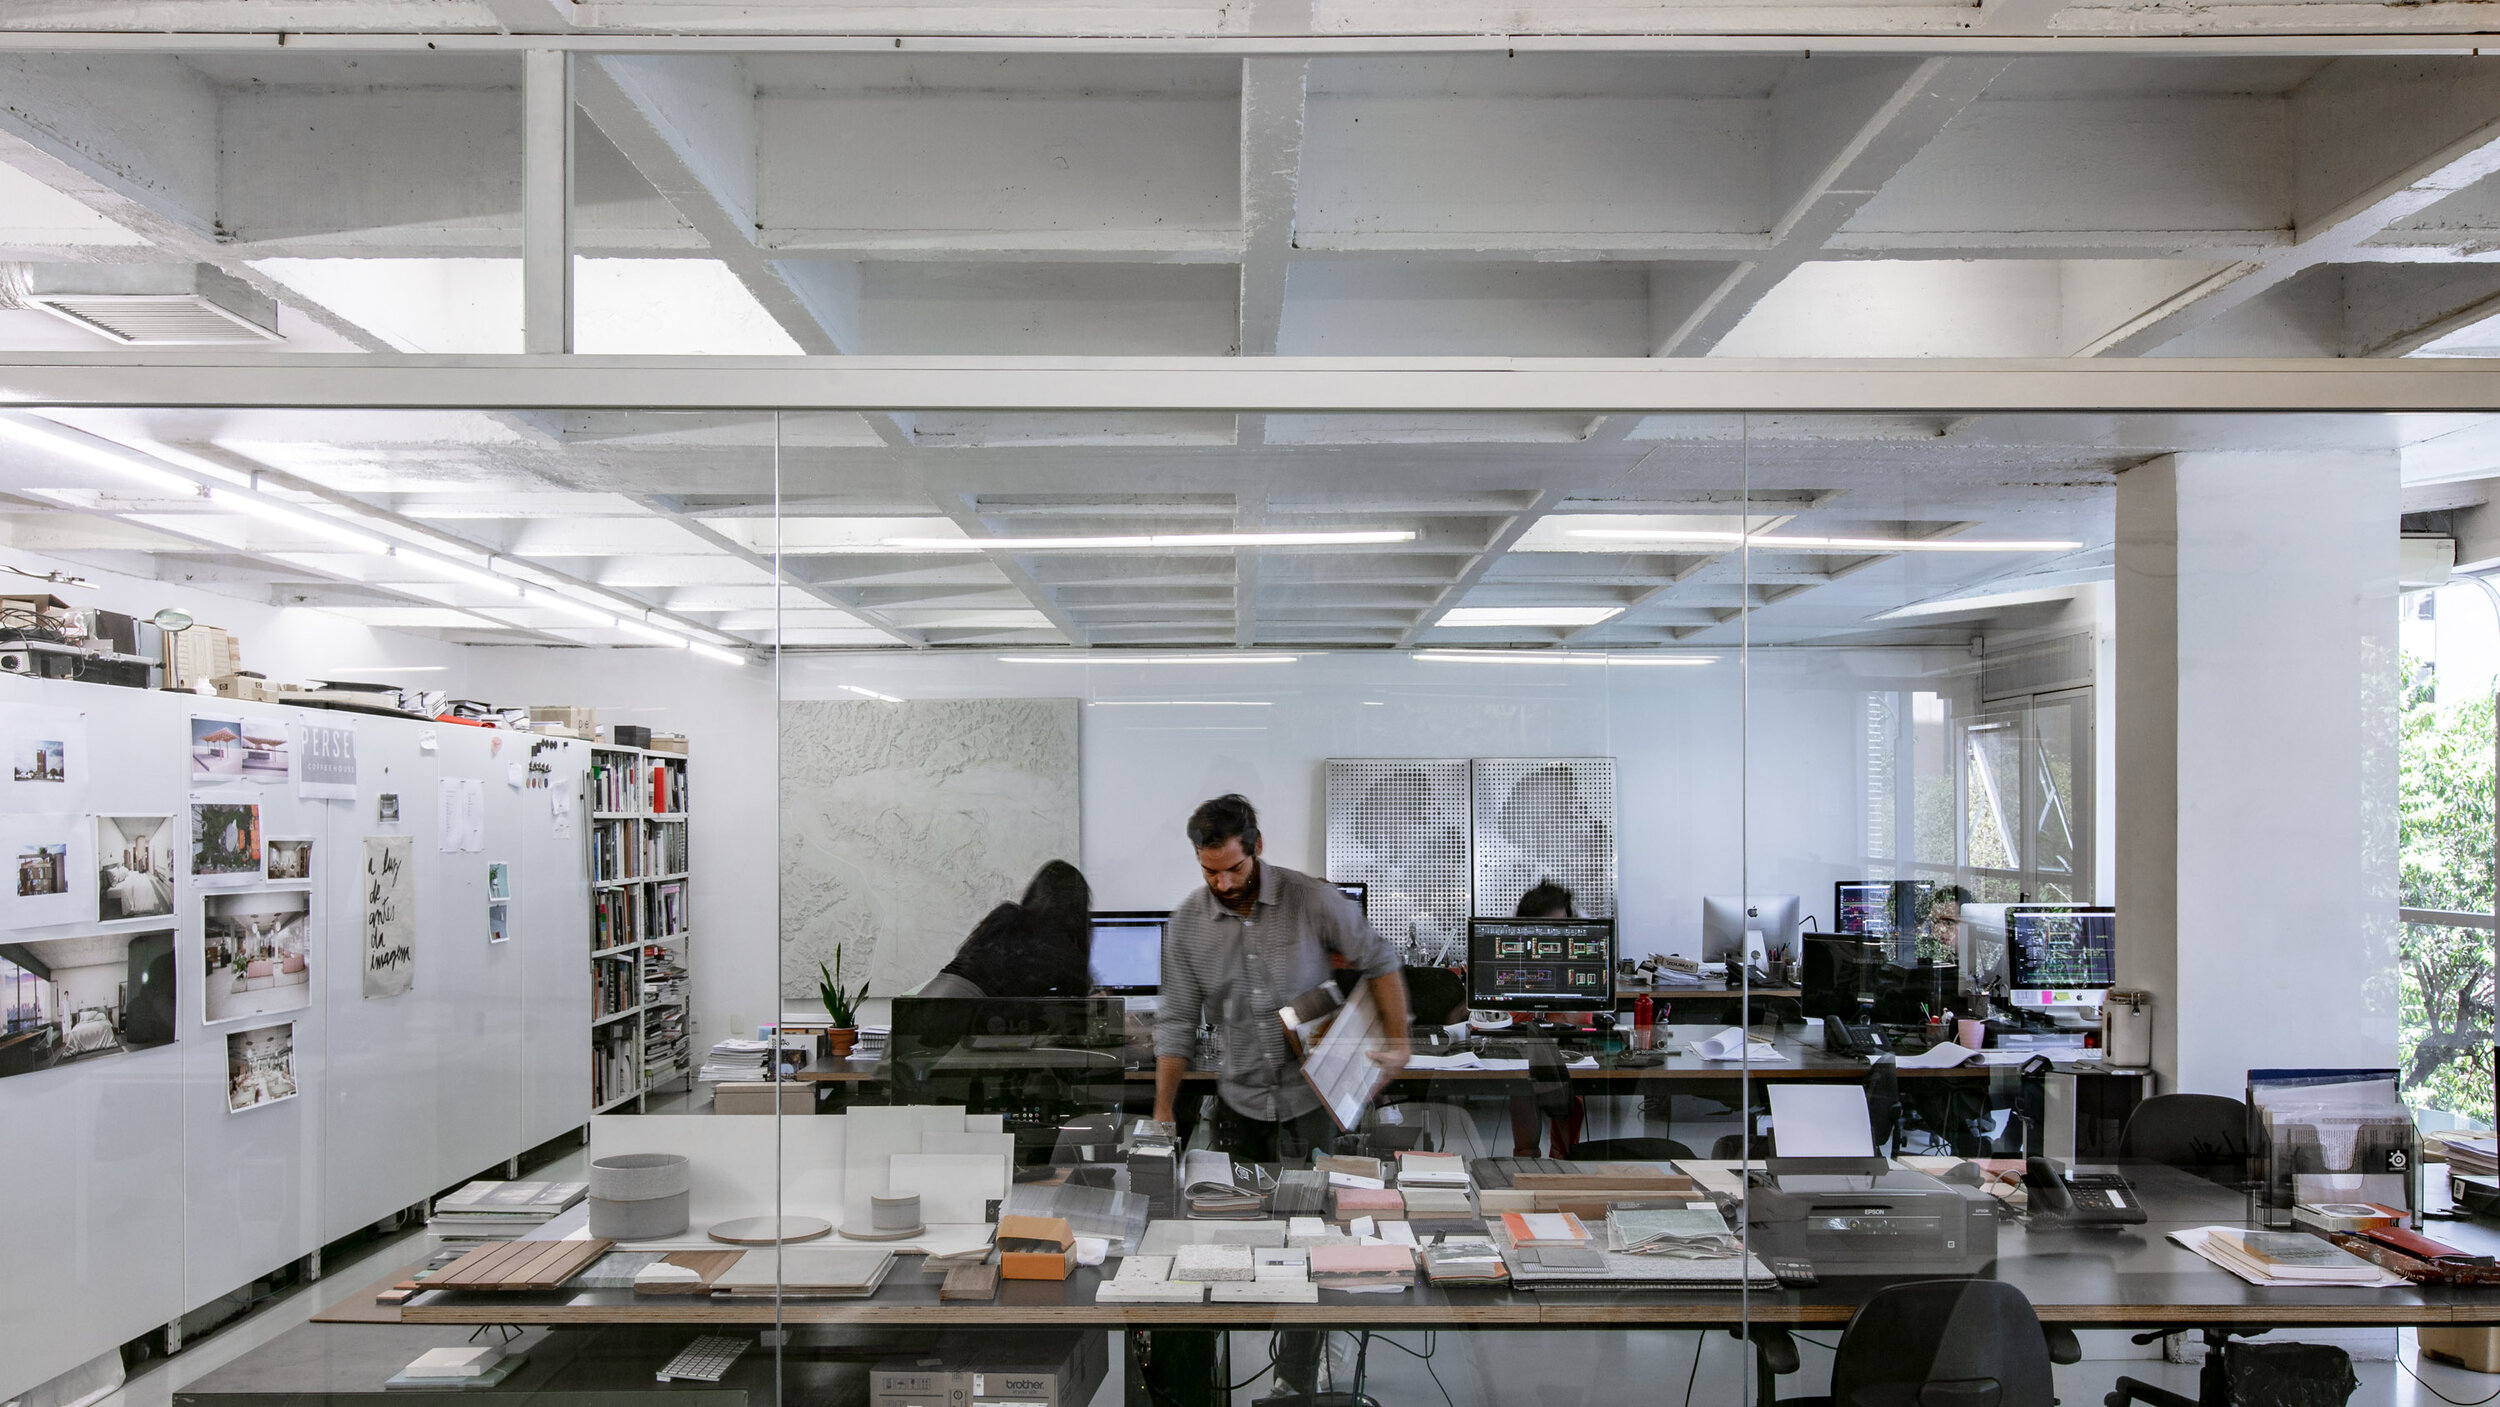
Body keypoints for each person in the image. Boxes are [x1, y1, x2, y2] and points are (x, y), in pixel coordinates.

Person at [1154, 794, 1407, 1403]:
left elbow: (1380, 958)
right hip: (1239, 1106)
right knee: (1234, 1239)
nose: (1223, 882)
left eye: (1233, 869)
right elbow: (1177, 1022)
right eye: (1210, 871)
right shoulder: (1187, 923)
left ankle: (1296, 1379)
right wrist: (1162, 1109)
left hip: (1310, 1102)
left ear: (1257, 848)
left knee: (1314, 1241)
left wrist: (1396, 1041)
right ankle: (1221, 1371)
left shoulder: (1311, 899)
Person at [914, 859, 1093, 999]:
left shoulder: (1006, 917)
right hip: (950, 1030)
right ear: (1076, 910)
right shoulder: (1059, 945)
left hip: (910, 1022)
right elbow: (1077, 1001)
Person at [1506, 880, 1588, 1158]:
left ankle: (1562, 1161)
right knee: (1523, 1083)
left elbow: (1580, 1021)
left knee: (1568, 1089)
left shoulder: (1578, 963)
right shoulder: (1512, 963)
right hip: (1524, 1054)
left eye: (1562, 925)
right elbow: (1510, 1019)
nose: (1556, 935)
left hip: (1566, 1053)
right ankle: (1526, 1157)